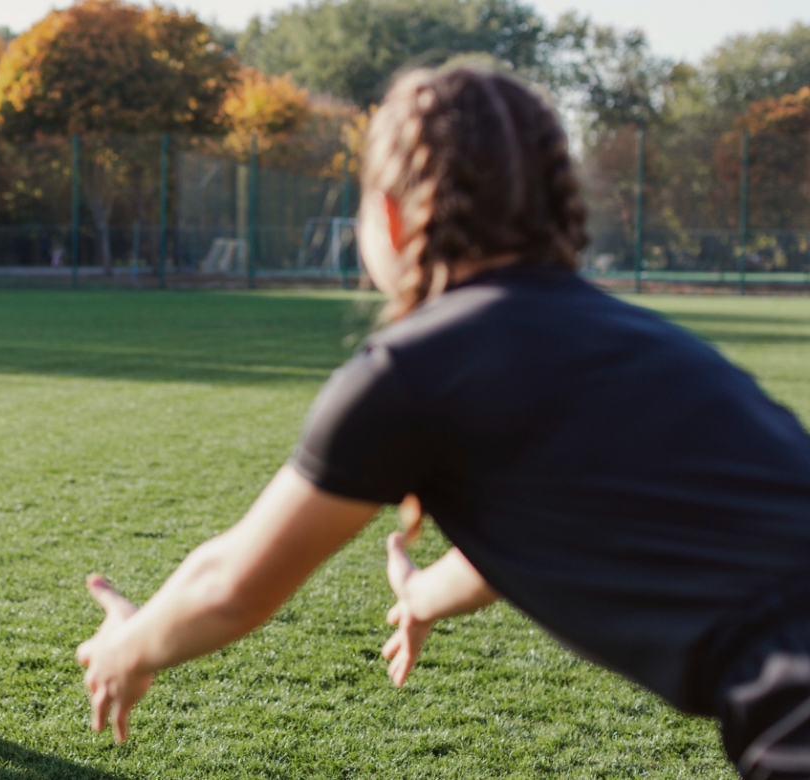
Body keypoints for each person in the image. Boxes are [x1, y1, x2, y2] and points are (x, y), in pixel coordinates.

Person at [75, 66, 810, 780]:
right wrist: (423, 595)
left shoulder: (412, 370)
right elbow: (550, 525)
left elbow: (233, 585)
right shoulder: (647, 342)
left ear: (391, 215)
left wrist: (127, 649)